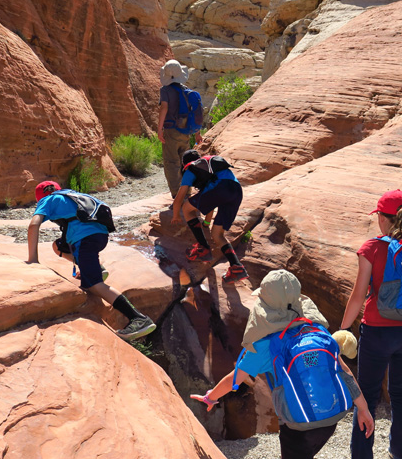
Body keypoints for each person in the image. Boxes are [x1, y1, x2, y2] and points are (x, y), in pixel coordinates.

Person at [190, 270, 374, 459]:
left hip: (297, 429)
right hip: (332, 419)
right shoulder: (317, 330)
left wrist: (210, 397)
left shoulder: (266, 344)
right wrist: (363, 408)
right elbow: (342, 369)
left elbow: (235, 378)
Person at [338, 189, 402, 459]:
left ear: (383, 218)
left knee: (368, 395)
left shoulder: (373, 248)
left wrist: (342, 330)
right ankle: (401, 455)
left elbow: (357, 296)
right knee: (401, 392)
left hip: (377, 331)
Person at [26, 181, 156, 341]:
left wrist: (33, 260)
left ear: (39, 198)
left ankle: (138, 318)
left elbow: (34, 225)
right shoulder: (71, 194)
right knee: (58, 245)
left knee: (93, 285)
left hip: (85, 240)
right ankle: (97, 268)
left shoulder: (47, 200)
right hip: (100, 236)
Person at [171, 150, 248, 283]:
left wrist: (176, 215)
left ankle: (203, 248)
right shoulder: (210, 169)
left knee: (187, 208)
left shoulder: (191, 169)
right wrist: (206, 223)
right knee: (217, 235)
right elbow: (211, 202)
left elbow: (180, 197)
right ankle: (237, 268)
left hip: (221, 188)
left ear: (184, 163)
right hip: (236, 190)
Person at [157, 60, 202, 198]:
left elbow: (164, 108)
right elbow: (194, 112)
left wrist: (159, 130)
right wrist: (197, 133)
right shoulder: (185, 90)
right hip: (186, 131)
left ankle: (177, 195)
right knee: (185, 162)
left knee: (171, 163)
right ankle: (187, 192)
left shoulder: (165, 90)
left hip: (171, 131)